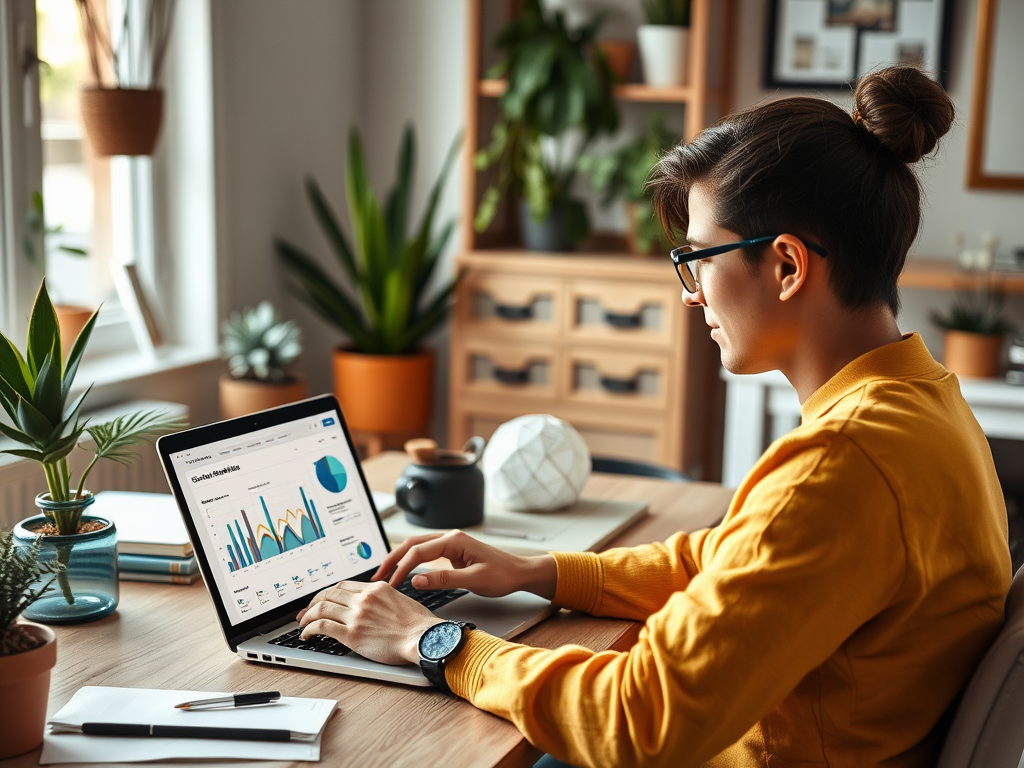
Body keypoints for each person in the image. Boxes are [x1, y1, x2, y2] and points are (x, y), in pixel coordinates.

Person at [296, 66, 1012, 768]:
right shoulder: (925, 402)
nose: (691, 295)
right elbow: (731, 556)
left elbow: (640, 723)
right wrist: (537, 570)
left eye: (699, 258)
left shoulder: (842, 462)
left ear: (788, 266)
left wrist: (434, 643)